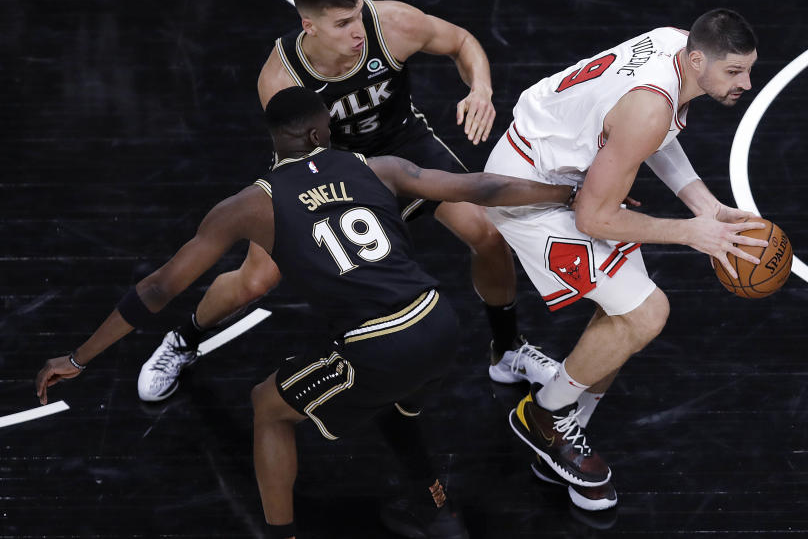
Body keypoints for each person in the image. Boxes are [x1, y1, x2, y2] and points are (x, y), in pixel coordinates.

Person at [35, 87, 574, 539]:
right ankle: (435, 506)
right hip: (438, 320)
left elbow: (157, 288)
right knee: (396, 404)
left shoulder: (247, 205)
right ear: (321, 135)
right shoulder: (378, 165)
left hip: (379, 342)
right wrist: (569, 194)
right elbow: (483, 186)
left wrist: (80, 358)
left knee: (267, 407)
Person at [136, 0, 558, 402]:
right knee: (256, 279)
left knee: (487, 233)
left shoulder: (391, 24)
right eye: (341, 24)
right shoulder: (282, 81)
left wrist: (481, 89)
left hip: (405, 145)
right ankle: (183, 340)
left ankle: (508, 350)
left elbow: (461, 42)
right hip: (328, 165)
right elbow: (301, 162)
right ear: (309, 26)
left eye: (357, 15)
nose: (357, 31)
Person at [482, 9, 768, 511]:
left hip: (562, 171)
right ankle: (544, 416)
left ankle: (566, 428)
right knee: (645, 312)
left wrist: (707, 206)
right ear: (698, 58)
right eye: (734, 72)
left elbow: (652, 139)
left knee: (626, 313)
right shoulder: (649, 107)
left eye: (749, 69)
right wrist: (691, 232)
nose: (746, 82)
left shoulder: (673, 43)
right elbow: (595, 217)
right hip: (528, 194)